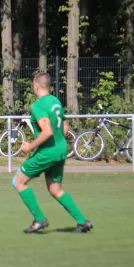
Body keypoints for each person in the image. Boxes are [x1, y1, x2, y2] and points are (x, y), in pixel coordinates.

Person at [12, 72, 93, 233]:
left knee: (18, 182)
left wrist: (30, 147)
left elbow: (47, 131)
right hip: (60, 149)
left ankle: (39, 219)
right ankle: (83, 221)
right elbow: (64, 127)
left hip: (47, 152)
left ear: (36, 86)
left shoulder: (38, 105)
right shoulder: (55, 102)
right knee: (55, 189)